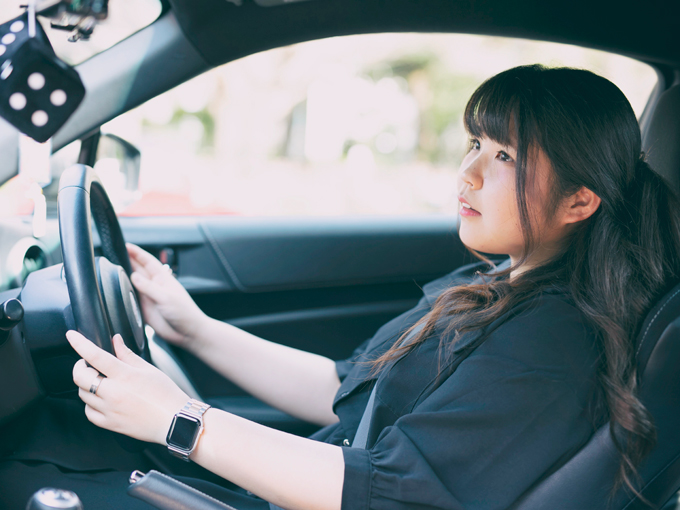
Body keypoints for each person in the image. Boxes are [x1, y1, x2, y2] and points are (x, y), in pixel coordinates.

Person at [58, 64, 680, 509]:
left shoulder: (551, 347)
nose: (466, 173)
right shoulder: (489, 283)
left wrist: (178, 418)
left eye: (506, 157)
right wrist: (191, 327)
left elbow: (384, 492)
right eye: (475, 143)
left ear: (579, 200)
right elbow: (344, 389)